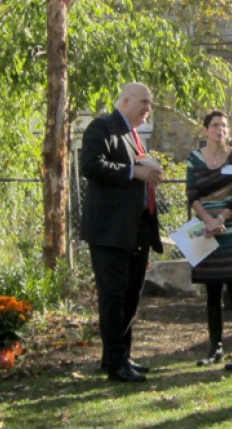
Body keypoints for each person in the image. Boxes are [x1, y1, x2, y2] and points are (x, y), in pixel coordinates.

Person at [80, 82, 165, 383]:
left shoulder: (132, 134)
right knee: (114, 298)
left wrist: (148, 171)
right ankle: (116, 365)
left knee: (130, 297)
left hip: (136, 231)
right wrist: (134, 172)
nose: (148, 108)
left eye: (150, 102)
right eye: (144, 101)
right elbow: (90, 166)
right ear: (125, 100)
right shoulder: (101, 127)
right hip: (110, 232)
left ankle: (119, 357)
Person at [186, 111, 232, 371]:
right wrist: (208, 220)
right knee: (211, 292)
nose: (220, 129)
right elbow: (191, 194)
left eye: (224, 126)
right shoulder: (194, 158)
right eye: (214, 125)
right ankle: (215, 348)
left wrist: (221, 218)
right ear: (205, 130)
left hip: (231, 227)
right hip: (205, 228)